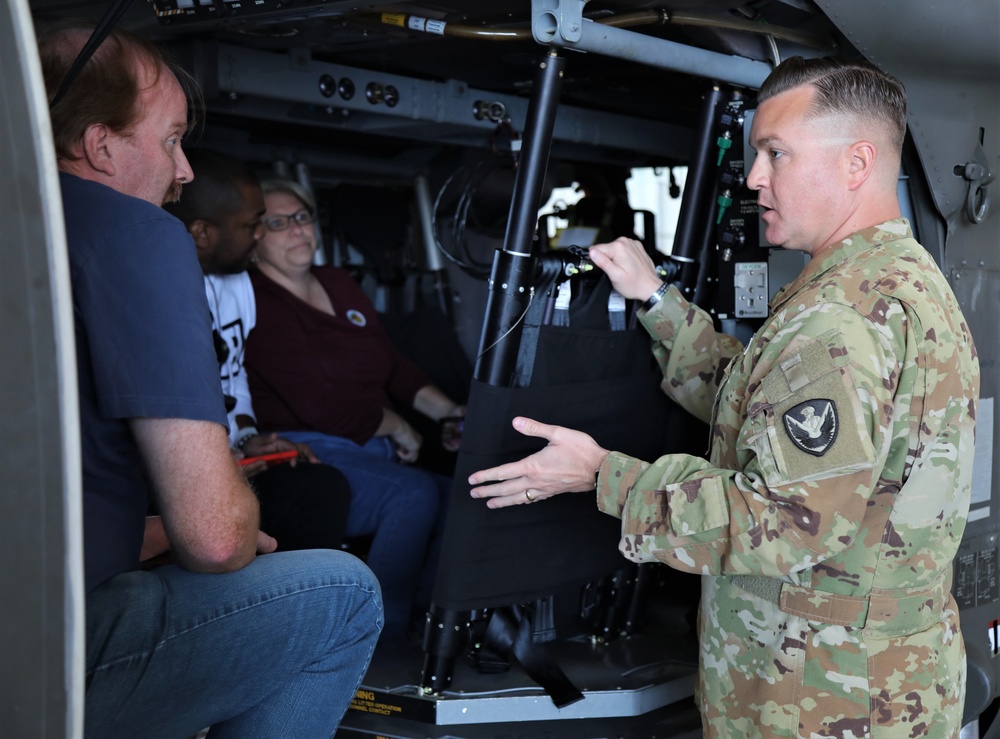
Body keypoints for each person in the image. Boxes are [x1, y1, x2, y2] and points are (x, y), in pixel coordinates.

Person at [468, 56, 980, 738]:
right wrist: (656, 302)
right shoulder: (902, 281)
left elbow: (783, 522)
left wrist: (603, 476)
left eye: (775, 154)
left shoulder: (838, 319)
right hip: (883, 679)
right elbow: (770, 406)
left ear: (856, 164)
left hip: (819, 699)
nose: (753, 178)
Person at [41, 21, 381, 737]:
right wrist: (225, 523)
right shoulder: (136, 233)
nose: (185, 170)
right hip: (59, 645)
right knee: (346, 593)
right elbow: (218, 538)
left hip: (35, 606)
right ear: (100, 145)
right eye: (169, 139)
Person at [243, 178, 464, 642]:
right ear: (253, 237)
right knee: (412, 495)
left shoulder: (337, 281)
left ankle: (429, 632)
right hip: (312, 451)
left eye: (302, 217)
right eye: (277, 223)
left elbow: (390, 363)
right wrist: (398, 425)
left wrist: (448, 412)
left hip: (373, 449)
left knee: (464, 497)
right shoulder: (258, 299)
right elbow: (319, 404)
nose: (297, 230)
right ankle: (370, 641)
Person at [164, 148, 353, 552]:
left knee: (318, 481)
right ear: (202, 233)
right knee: (322, 490)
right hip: (184, 470)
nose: (260, 234)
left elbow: (235, 371)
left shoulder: (237, 283)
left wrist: (248, 437)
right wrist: (216, 460)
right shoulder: (166, 295)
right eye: (252, 225)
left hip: (232, 456)